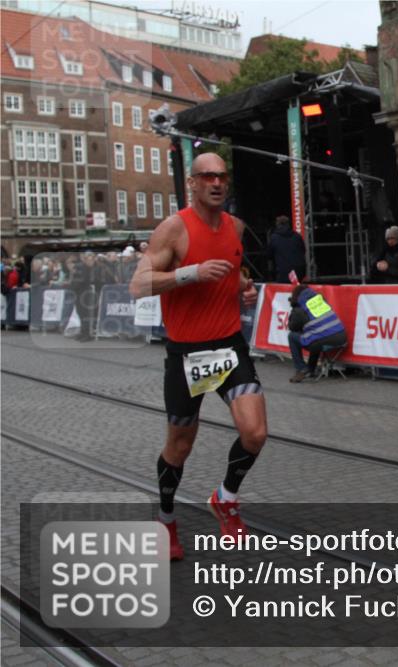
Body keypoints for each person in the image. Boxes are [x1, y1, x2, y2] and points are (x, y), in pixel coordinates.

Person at [129, 152, 264, 560]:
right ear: (192, 183)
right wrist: (191, 273)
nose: (217, 183)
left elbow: (232, 268)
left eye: (223, 176)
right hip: (187, 353)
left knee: (255, 433)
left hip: (228, 346)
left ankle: (225, 497)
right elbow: (138, 286)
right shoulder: (173, 229)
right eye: (208, 176)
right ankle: (167, 520)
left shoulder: (236, 226)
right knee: (180, 446)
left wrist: (243, 286)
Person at [286, 283, 347, 382]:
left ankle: (301, 368)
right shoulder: (320, 300)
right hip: (341, 337)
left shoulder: (299, 308)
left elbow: (293, 327)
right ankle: (310, 369)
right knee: (314, 336)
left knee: (293, 337)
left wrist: (293, 307)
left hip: (324, 340)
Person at [266, 215, 306, 283]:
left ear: (277, 224)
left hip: (284, 272)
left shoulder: (274, 238)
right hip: (300, 271)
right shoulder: (297, 236)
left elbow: (269, 255)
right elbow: (303, 250)